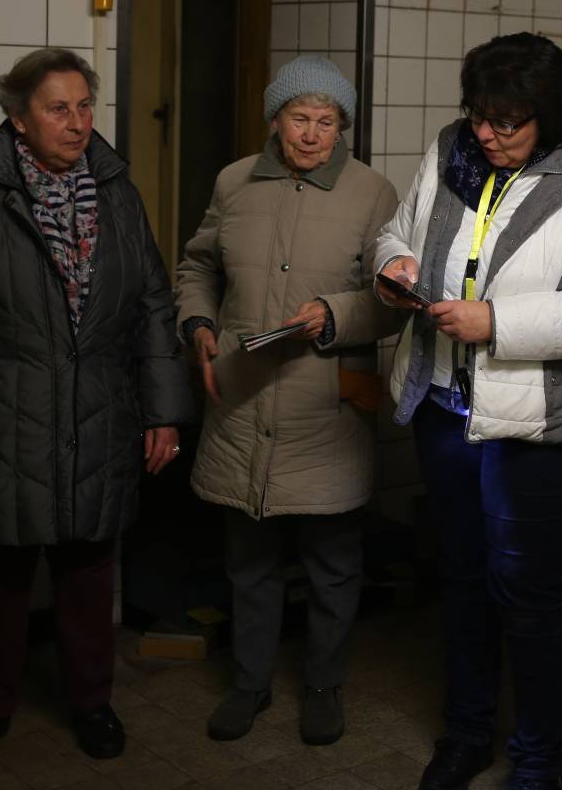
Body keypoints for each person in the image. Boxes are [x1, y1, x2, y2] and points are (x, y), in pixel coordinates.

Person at [374, 33, 562, 790]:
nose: (486, 135)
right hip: (445, 403)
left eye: (507, 123)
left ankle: (538, 757)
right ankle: (466, 734)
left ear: (549, 116)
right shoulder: (450, 152)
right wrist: (392, 262)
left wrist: (497, 323)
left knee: (526, 594)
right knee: (458, 579)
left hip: (535, 422)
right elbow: (400, 228)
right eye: (479, 117)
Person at [0, 48, 194, 774]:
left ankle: (91, 702)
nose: (76, 124)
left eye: (83, 107)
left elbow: (151, 302)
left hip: (98, 411)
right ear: (16, 118)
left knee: (87, 572)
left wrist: (163, 410)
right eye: (56, 108)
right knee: (0, 580)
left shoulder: (117, 192)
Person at [174, 57, 407, 746]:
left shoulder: (372, 193)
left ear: (343, 127)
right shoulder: (235, 181)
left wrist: (334, 314)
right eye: (299, 119)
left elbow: (394, 302)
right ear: (275, 121)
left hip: (324, 403)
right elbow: (197, 265)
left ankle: (323, 685)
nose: (311, 135)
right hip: (244, 396)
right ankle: (249, 684)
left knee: (334, 560)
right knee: (249, 557)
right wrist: (199, 322)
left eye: (326, 121)